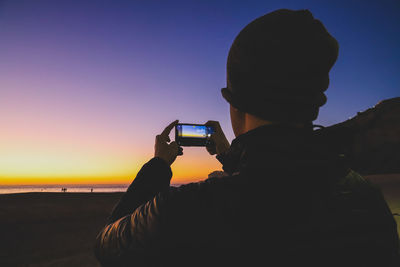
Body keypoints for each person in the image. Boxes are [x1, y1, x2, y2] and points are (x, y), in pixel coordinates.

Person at [94, 9, 400, 266]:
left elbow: (108, 245)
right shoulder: (365, 201)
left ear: (236, 102)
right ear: (313, 102)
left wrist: (160, 165)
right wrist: (230, 156)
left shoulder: (188, 210)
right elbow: (275, 178)